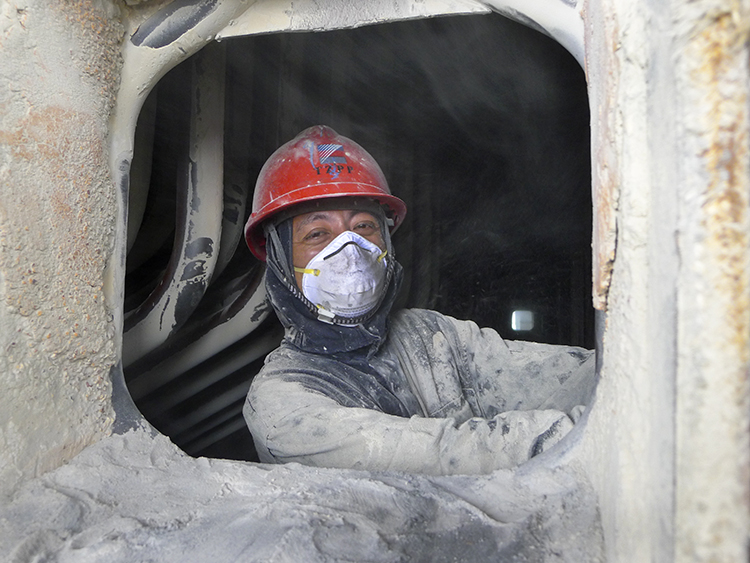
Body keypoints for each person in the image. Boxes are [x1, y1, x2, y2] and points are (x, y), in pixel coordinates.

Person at [243, 125, 595, 475]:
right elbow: (440, 456)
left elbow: (573, 377)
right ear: (280, 262)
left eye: (364, 227)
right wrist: (593, 436)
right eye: (318, 234)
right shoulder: (281, 404)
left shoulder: (430, 336)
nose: (350, 250)